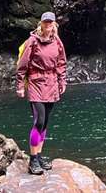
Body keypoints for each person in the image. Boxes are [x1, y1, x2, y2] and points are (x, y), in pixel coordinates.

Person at [16, 11, 67, 175]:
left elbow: (61, 62)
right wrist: (19, 85)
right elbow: (23, 64)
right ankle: (32, 160)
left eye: (50, 22)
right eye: (45, 22)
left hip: (51, 84)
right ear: (41, 24)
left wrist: (62, 81)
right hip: (36, 83)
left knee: (45, 124)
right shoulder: (33, 41)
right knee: (39, 121)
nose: (48, 25)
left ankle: (39, 156)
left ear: (54, 24)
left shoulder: (57, 41)